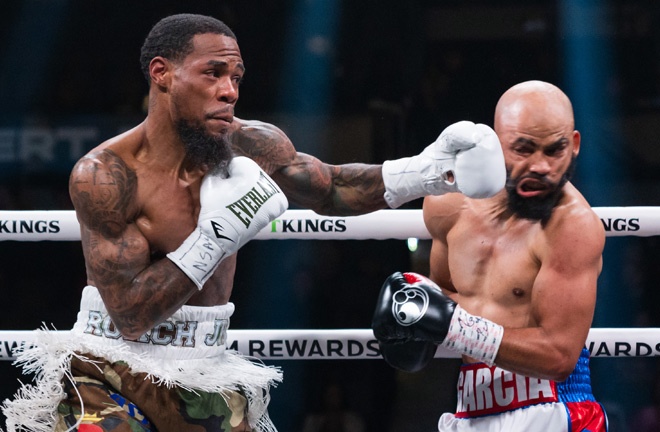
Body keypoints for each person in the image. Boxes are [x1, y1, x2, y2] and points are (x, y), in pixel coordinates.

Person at [2, 13, 506, 432]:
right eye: (213, 73)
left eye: (236, 77)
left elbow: (331, 186)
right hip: (107, 365)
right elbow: (132, 313)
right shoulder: (106, 174)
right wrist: (220, 232)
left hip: (205, 368)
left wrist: (427, 170)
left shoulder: (249, 144)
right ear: (162, 73)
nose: (230, 91)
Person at [372, 80, 608, 431]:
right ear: (497, 145)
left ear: (573, 146)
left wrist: (451, 326)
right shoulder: (447, 205)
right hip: (471, 405)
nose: (541, 166)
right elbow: (449, 301)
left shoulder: (572, 226)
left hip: (552, 406)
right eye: (524, 149)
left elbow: (559, 355)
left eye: (554, 150)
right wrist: (413, 323)